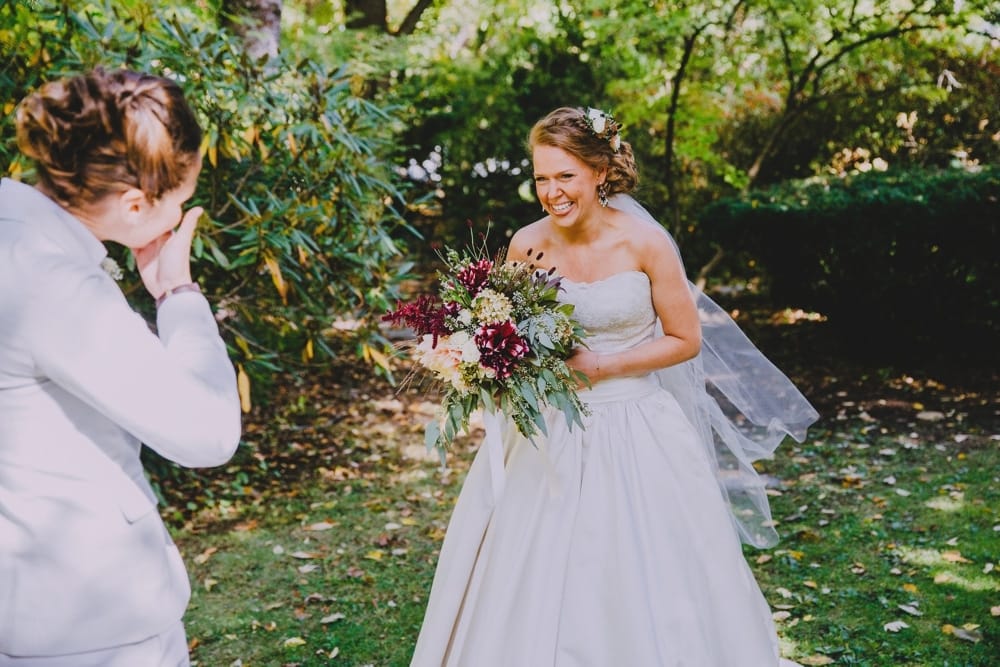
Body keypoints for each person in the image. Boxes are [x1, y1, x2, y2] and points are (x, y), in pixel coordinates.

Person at [410, 106, 819, 666]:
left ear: (601, 172)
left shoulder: (645, 243)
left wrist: (603, 366)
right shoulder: (525, 244)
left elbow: (685, 340)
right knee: (532, 563)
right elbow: (504, 331)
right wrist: (478, 359)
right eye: (541, 178)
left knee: (641, 565)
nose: (551, 192)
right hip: (549, 431)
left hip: (637, 426)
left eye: (565, 177)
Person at [0, 67, 241, 665]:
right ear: (135, 204)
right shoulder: (52, 283)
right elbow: (207, 433)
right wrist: (178, 294)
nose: (182, 213)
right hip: (90, 619)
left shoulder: (17, 234)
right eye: (181, 201)